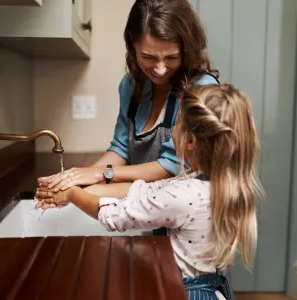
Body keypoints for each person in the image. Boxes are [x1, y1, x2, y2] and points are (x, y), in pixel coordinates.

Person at [36, 84, 264, 299]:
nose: (172, 130)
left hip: (185, 292)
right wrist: (83, 187)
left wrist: (72, 195)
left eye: (175, 124)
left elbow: (113, 216)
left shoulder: (182, 196)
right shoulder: (220, 185)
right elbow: (145, 191)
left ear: (191, 140)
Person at [37, 0, 219, 200]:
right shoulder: (131, 85)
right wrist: (75, 179)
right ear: (133, 41)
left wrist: (101, 174)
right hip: (143, 209)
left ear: (187, 50)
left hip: (183, 218)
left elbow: (173, 165)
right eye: (148, 57)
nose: (159, 69)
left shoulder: (202, 89)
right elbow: (121, 148)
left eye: (171, 57)